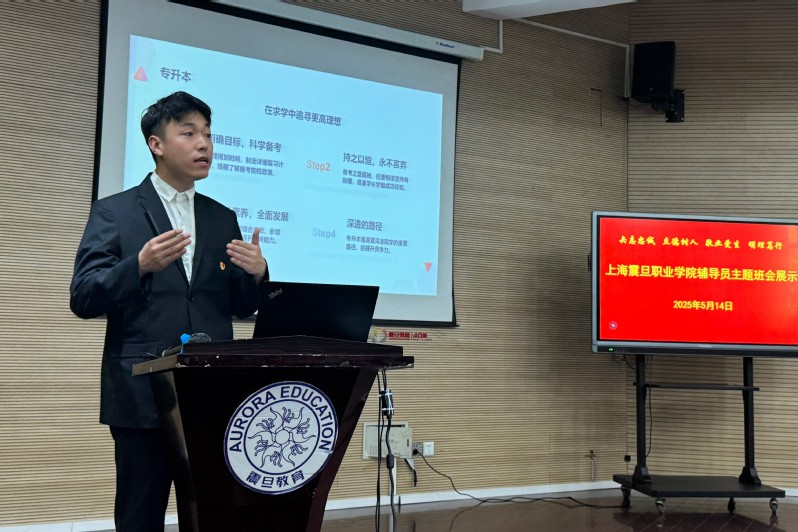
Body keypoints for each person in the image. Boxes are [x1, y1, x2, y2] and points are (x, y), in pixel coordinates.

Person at [70, 91, 267, 531]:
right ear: (156, 144)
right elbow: (82, 296)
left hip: (212, 393)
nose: (204, 144)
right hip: (142, 394)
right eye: (189, 133)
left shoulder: (222, 217)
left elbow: (240, 306)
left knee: (214, 514)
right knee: (140, 517)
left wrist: (258, 274)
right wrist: (137, 266)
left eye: (209, 135)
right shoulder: (115, 212)